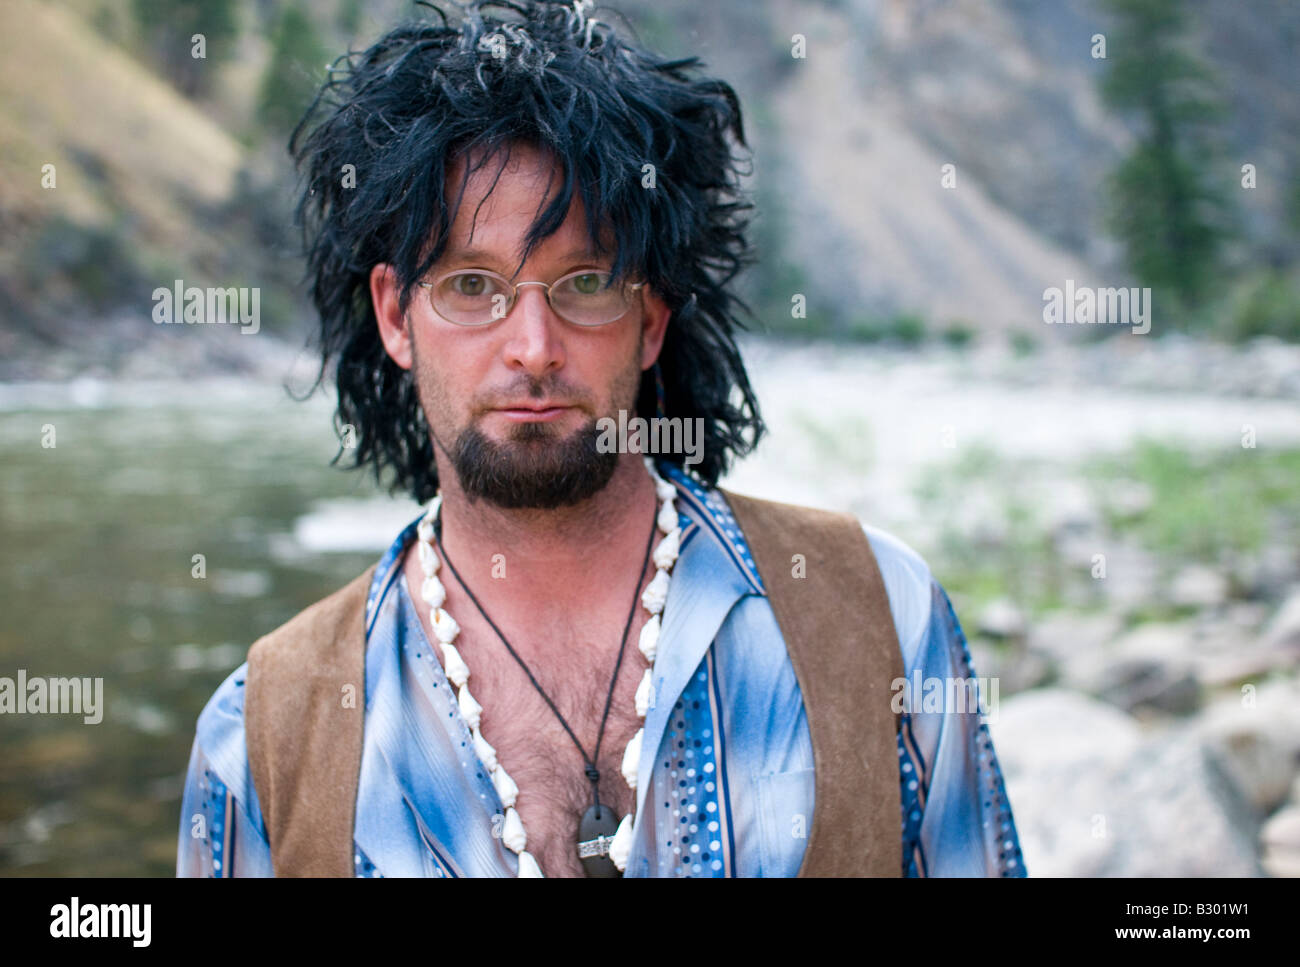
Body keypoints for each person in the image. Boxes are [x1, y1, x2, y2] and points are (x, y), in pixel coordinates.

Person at [177, 0, 1025, 878]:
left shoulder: (883, 613)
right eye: (473, 285)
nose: (533, 347)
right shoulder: (261, 740)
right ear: (396, 315)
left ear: (650, 317)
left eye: (584, 282)